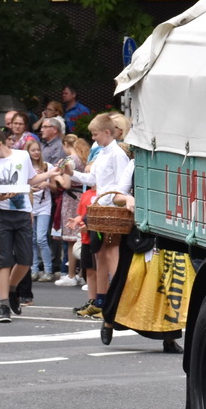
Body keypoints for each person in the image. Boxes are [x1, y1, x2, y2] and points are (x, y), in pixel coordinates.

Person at [69, 113, 133, 317]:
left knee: (111, 252)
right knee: (100, 254)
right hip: (100, 207)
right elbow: (93, 178)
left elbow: (122, 186)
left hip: (111, 209)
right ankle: (103, 300)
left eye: (95, 134)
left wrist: (104, 201)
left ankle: (116, 300)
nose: (93, 138)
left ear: (107, 132)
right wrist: (71, 173)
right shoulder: (103, 152)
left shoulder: (117, 154)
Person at [0, 127, 34, 321]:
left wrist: (52, 175)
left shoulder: (22, 156)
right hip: (0, 214)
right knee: (4, 261)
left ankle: (12, 289)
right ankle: (3, 305)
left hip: (22, 213)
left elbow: (31, 180)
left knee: (25, 260)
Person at [54, 135, 87, 287]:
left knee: (70, 238)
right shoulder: (83, 158)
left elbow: (66, 184)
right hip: (81, 196)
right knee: (81, 236)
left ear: (66, 144)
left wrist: (58, 178)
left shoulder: (69, 160)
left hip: (70, 198)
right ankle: (81, 274)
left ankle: (71, 274)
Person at [26, 137, 55, 282]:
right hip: (30, 205)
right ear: (28, 152)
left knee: (41, 238)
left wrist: (47, 184)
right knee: (31, 239)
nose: (36, 153)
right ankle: (34, 270)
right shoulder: (25, 167)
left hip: (44, 205)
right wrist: (29, 187)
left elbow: (56, 187)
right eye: (33, 150)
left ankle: (48, 271)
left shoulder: (47, 167)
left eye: (38, 150)